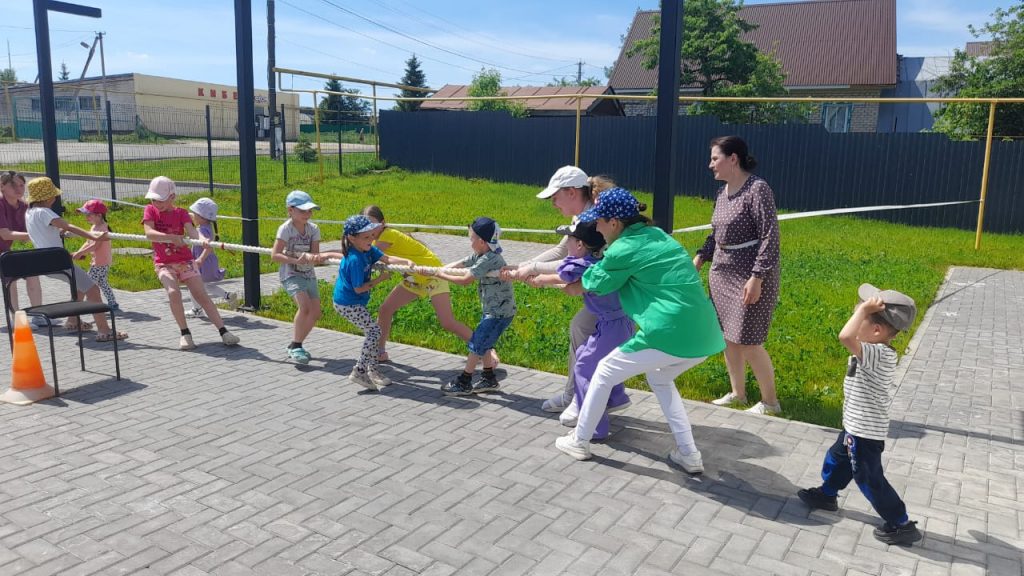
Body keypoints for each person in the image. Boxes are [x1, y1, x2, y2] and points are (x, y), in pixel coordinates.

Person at [554, 188, 725, 474]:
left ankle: (579, 441)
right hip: (705, 334)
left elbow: (591, 283)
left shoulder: (623, 248)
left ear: (614, 223)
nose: (596, 228)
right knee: (660, 378)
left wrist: (564, 284)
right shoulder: (659, 236)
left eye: (599, 221)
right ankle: (689, 454)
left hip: (669, 332)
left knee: (603, 371)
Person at [797, 284, 922, 546]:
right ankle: (827, 494)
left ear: (876, 330)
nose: (853, 319)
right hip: (855, 425)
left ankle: (901, 523)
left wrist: (864, 309)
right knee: (838, 459)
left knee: (868, 477)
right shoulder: (871, 347)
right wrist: (863, 311)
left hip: (865, 433)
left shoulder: (877, 353)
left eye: (858, 317)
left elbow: (844, 336)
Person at [501, 165, 628, 419]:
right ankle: (604, 397)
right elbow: (562, 251)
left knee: (583, 334)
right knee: (589, 338)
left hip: (615, 296)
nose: (553, 203)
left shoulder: (593, 219)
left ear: (572, 193)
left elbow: (573, 265)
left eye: (555, 196)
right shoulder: (582, 217)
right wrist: (524, 266)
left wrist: (531, 269)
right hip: (608, 293)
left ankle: (578, 398)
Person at [520, 220, 632, 439]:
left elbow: (563, 278)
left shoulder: (581, 265)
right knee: (589, 358)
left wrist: (537, 278)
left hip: (612, 327)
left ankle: (594, 427)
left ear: (580, 245)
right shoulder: (596, 262)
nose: (566, 245)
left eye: (569, 240)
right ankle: (616, 397)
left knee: (583, 368)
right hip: (616, 324)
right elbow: (571, 288)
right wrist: (541, 279)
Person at [694, 135, 782, 415]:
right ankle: (738, 394)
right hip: (721, 272)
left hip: (750, 274)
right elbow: (716, 233)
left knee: (749, 340)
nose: (710, 165)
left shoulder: (757, 189)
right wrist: (701, 256)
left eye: (715, 158)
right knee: (728, 337)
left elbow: (770, 236)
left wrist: (757, 277)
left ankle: (771, 403)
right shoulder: (722, 193)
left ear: (733, 159)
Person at [360, 205, 498, 366]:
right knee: (385, 309)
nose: (370, 228)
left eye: (373, 224)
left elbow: (366, 255)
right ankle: (380, 352)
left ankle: (487, 349)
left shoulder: (387, 235)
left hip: (433, 276)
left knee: (447, 322)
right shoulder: (373, 239)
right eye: (365, 224)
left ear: (383, 223)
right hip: (415, 279)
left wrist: (340, 251)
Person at [141, 176, 240, 350]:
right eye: (153, 199)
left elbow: (193, 231)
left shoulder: (181, 213)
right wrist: (170, 237)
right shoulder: (150, 210)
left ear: (172, 197)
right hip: (164, 263)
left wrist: (203, 240)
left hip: (185, 260)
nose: (156, 203)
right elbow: (149, 233)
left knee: (201, 294)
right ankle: (185, 334)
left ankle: (224, 331)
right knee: (173, 292)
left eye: (160, 200)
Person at [24, 177, 127, 342]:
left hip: (44, 263)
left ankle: (73, 321)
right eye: (53, 195)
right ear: (47, 197)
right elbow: (68, 226)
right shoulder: (45, 212)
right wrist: (93, 236)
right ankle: (104, 330)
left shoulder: (29, 213)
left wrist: (58, 232)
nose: (55, 198)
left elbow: (44, 231)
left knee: (80, 286)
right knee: (93, 290)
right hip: (58, 261)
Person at [431, 217, 516, 396]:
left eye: (471, 239)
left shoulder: (489, 259)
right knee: (485, 343)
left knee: (476, 344)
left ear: (482, 241)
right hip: (492, 310)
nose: (470, 243)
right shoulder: (481, 255)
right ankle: (489, 378)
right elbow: (462, 263)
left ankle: (464, 381)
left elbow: (465, 280)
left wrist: (440, 274)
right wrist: (440, 269)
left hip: (499, 313)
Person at [326, 215, 412, 390]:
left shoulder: (367, 249)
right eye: (366, 237)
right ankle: (359, 370)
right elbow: (359, 288)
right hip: (347, 303)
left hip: (355, 302)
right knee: (374, 332)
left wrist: (406, 261)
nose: (370, 240)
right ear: (352, 238)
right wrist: (380, 279)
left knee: (374, 333)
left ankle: (373, 371)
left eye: (372, 236)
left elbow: (387, 259)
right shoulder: (355, 259)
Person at [271, 191, 325, 364]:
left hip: (308, 274)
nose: (307, 214)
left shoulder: (314, 229)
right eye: (302, 211)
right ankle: (296, 346)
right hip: (291, 273)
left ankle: (295, 344)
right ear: (290, 210)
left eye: (309, 210)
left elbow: (315, 254)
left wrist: (317, 258)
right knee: (305, 307)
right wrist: (295, 260)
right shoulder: (285, 229)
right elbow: (275, 255)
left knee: (315, 313)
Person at [0, 170, 44, 323]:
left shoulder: (24, 206)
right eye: (14, 185)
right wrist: (36, 234)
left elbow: (26, 235)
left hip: (5, 251)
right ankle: (16, 319)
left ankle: (38, 315)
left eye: (21, 185)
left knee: (32, 272)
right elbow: (5, 234)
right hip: (4, 252)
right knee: (10, 278)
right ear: (2, 186)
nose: (19, 189)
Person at [185, 197, 237, 318]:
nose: (193, 216)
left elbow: (208, 247)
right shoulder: (207, 225)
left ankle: (197, 309)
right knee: (204, 285)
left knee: (193, 284)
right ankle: (227, 295)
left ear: (202, 217)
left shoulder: (203, 230)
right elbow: (191, 216)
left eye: (195, 214)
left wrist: (200, 260)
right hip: (208, 262)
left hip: (203, 262)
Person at [71, 199, 119, 311]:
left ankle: (87, 304)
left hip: (101, 262)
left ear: (99, 215)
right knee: (102, 283)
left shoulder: (102, 229)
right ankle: (113, 303)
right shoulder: (94, 227)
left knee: (87, 283)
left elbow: (95, 246)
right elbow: (88, 242)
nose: (86, 217)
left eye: (89, 215)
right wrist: (79, 251)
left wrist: (81, 253)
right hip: (99, 261)